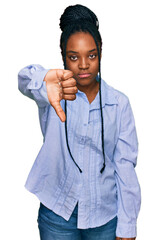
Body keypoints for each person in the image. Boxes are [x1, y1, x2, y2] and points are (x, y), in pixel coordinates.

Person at [18, 4, 141, 240]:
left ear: (101, 53)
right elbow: (24, 79)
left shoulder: (119, 104)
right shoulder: (52, 93)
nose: (83, 65)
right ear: (63, 56)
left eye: (91, 55)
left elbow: (125, 166)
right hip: (57, 216)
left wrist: (128, 225)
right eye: (73, 57)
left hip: (104, 217)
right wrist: (45, 78)